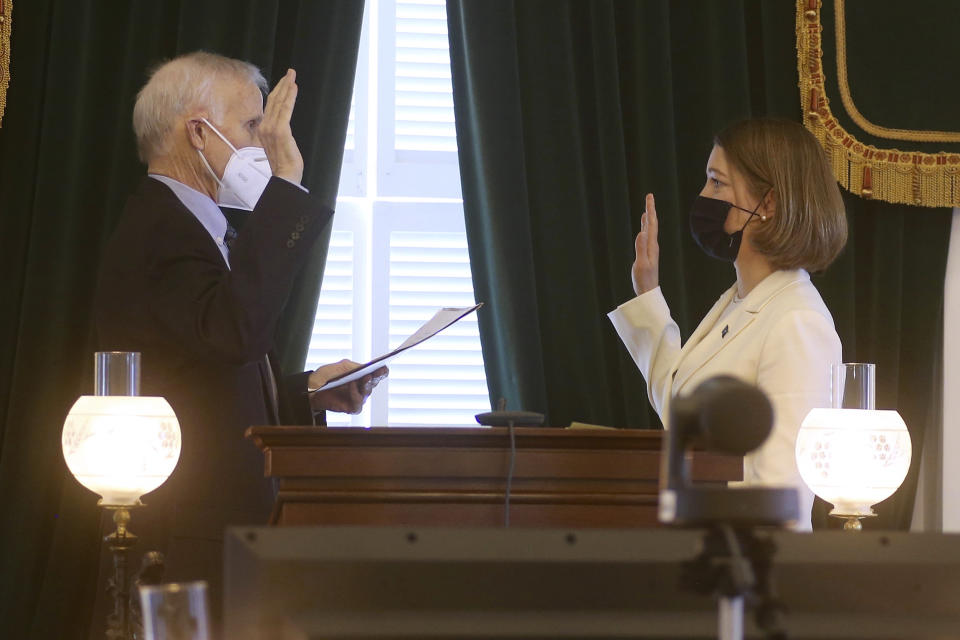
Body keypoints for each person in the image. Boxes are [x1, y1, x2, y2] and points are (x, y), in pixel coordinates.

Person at [92, 51, 386, 635]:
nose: (265, 140)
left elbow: (207, 373)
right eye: (253, 126)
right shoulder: (159, 230)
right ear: (199, 133)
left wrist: (308, 393)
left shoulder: (194, 223)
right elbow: (233, 334)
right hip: (187, 531)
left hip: (220, 526)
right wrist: (287, 186)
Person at [608, 118, 847, 531]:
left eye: (717, 183)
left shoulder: (798, 322)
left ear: (768, 205)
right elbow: (682, 408)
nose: (703, 196)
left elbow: (780, 493)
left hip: (748, 570)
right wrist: (647, 294)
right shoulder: (740, 302)